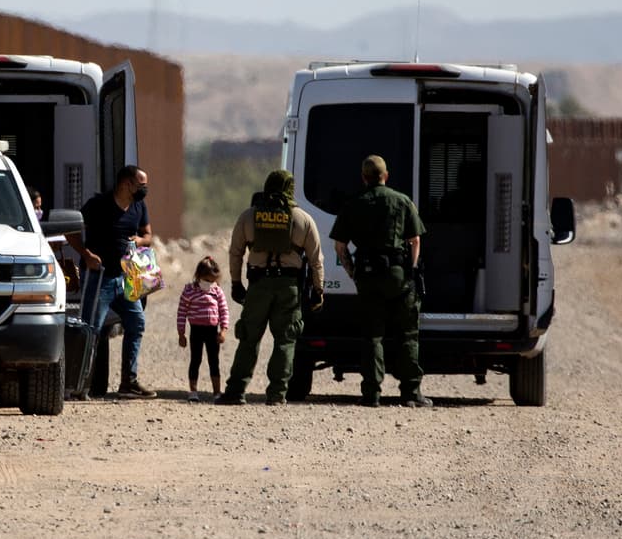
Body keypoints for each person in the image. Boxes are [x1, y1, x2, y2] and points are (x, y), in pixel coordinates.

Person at [215, 169, 325, 406]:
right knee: (285, 340)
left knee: (248, 339)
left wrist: (236, 283)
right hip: (289, 288)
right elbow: (316, 260)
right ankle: (277, 394)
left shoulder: (249, 216)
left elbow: (235, 253)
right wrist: (318, 291)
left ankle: (235, 391)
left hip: (258, 285)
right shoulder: (303, 219)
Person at [329, 155, 431, 408]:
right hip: (398, 276)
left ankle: (371, 394)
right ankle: (410, 392)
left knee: (372, 336)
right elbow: (415, 240)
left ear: (364, 178)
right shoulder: (402, 201)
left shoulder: (353, 204)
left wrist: (353, 272)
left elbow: (340, 246)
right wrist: (411, 269)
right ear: (386, 176)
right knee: (407, 335)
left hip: (367, 275)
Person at [64, 165, 157, 398]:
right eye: (141, 185)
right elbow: (71, 232)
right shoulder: (98, 205)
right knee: (91, 330)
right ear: (126, 184)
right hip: (100, 279)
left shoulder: (139, 206)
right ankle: (81, 385)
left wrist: (140, 241)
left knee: (136, 323)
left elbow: (148, 235)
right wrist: (86, 255)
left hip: (127, 277)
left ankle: (129, 382)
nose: (145, 189)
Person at [177, 256, 230, 403]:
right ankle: (193, 391)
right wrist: (181, 333)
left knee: (214, 361)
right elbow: (182, 312)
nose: (209, 284)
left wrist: (223, 330)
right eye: (207, 280)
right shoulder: (189, 291)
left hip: (212, 332)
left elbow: (224, 310)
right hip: (196, 331)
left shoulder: (217, 291)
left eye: (212, 281)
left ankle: (217, 392)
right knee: (195, 360)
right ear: (199, 276)